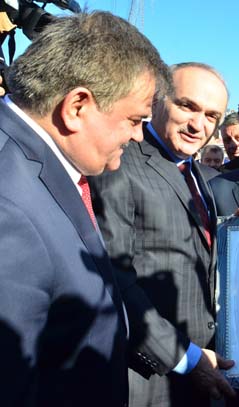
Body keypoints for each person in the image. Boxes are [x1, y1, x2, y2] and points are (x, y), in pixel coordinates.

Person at [0, 11, 169, 407]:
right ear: (77, 106)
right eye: (134, 119)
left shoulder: (44, 164)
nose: (139, 135)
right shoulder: (8, 205)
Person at [90, 62, 235, 406]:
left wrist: (237, 232)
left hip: (201, 371)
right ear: (156, 100)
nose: (198, 124)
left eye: (211, 116)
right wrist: (184, 357)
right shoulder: (119, 163)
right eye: (187, 106)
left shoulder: (197, 172)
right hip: (147, 377)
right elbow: (114, 279)